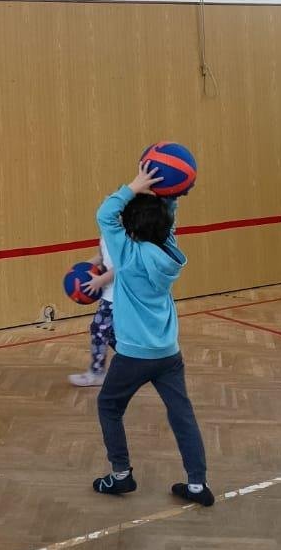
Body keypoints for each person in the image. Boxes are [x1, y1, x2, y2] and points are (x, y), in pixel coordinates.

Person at [91, 160, 213, 507]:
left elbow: (105, 215)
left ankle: (120, 475)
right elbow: (166, 220)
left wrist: (135, 185)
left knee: (108, 406)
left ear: (129, 228)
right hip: (168, 354)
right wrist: (172, 192)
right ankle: (197, 484)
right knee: (182, 415)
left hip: (133, 355)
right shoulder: (169, 251)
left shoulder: (127, 254)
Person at [68, 239, 115, 386]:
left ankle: (97, 372)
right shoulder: (106, 234)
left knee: (99, 329)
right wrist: (78, 270)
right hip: (109, 294)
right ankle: (137, 359)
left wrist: (100, 280)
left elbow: (122, 266)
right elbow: (101, 257)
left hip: (118, 295)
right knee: (109, 332)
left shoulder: (122, 235)